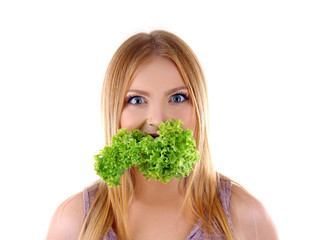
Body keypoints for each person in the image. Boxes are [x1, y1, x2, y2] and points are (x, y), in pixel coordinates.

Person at [46, 30, 279, 240]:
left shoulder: (247, 219)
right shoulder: (74, 223)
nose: (157, 119)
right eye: (136, 100)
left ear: (199, 108)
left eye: (177, 98)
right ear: (114, 111)